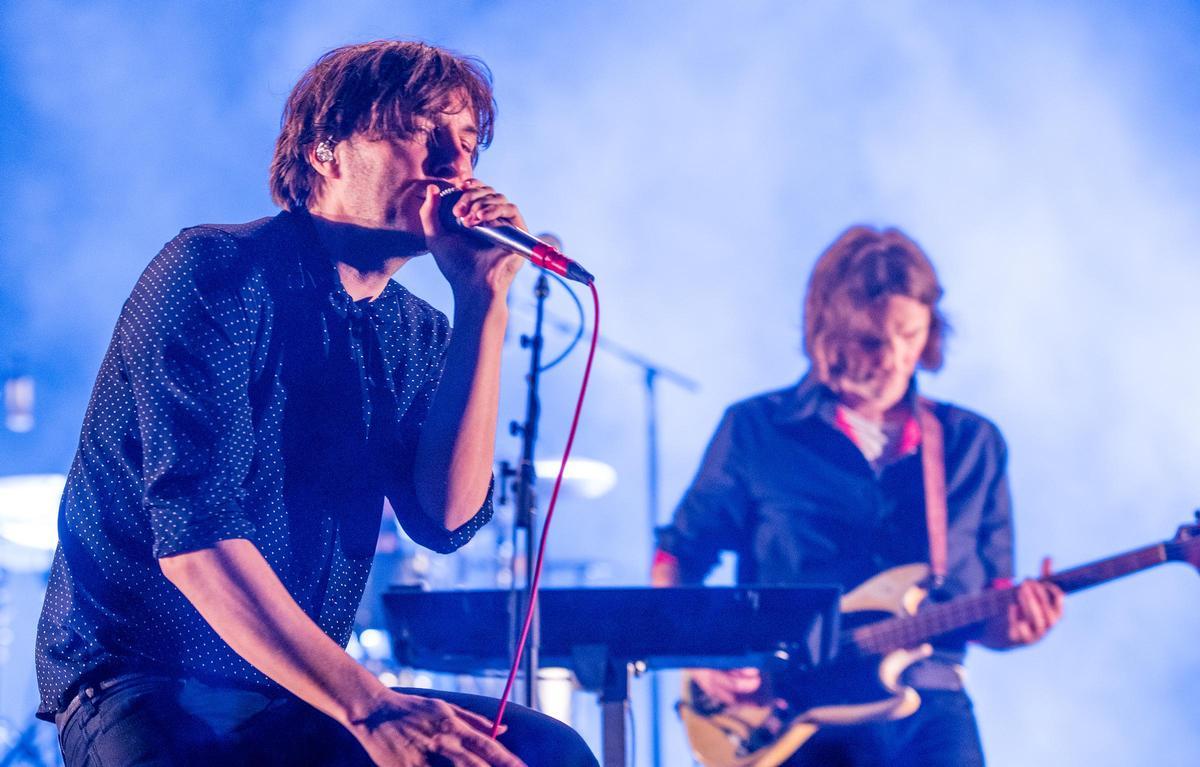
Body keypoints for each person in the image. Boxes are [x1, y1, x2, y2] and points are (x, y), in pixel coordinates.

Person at [35, 40, 597, 767]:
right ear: (326, 149)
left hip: (298, 695)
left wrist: (481, 303)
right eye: (423, 130)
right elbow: (196, 541)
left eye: (467, 144)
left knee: (545, 748)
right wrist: (373, 704)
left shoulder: (414, 330)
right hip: (146, 685)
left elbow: (447, 519)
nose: (455, 166)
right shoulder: (214, 274)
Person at [652, 226, 1064, 767]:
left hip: (928, 700)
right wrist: (703, 655)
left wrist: (1019, 627)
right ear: (829, 329)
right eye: (872, 339)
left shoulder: (972, 444)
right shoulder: (756, 430)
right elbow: (677, 555)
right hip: (785, 708)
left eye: (910, 336)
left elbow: (993, 605)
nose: (895, 358)